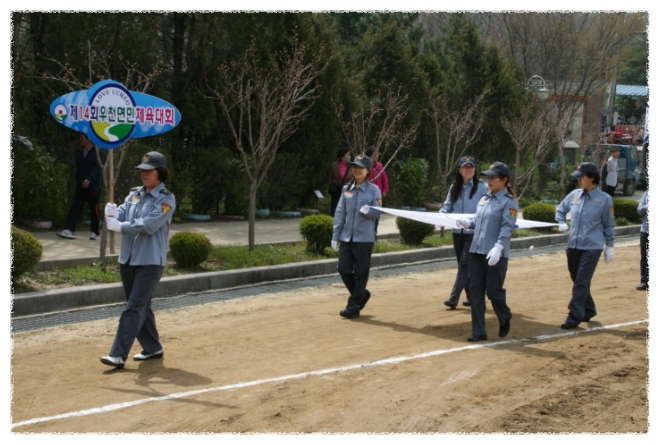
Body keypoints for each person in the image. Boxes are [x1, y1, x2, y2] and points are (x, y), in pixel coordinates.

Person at [100, 151, 176, 368]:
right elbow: (123, 215)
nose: (144, 174)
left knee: (133, 307)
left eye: (149, 171)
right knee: (141, 306)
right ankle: (152, 347)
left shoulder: (166, 199)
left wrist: (120, 226)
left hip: (150, 262)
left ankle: (118, 354)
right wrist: (113, 214)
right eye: (142, 170)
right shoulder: (134, 194)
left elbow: (149, 224)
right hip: (128, 260)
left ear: (160, 173)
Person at [456, 162, 517, 342]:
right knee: (476, 293)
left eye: (493, 177)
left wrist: (498, 247)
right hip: (476, 251)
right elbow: (478, 221)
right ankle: (479, 331)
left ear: (504, 180)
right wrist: (468, 224)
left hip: (494, 254)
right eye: (487, 177)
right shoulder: (484, 199)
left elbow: (507, 227)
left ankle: (504, 314)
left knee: (493, 291)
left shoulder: (509, 202)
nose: (488, 181)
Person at [555, 162, 615, 329]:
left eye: (582, 177)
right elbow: (560, 209)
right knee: (578, 280)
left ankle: (574, 315)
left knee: (581, 281)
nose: (579, 180)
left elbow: (609, 224)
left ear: (592, 178)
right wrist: (561, 222)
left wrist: (610, 246)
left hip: (592, 247)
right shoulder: (574, 195)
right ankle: (589, 309)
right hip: (573, 246)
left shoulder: (604, 199)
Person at [331, 154, 381, 319]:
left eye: (361, 168)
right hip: (347, 237)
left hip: (364, 239)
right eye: (355, 167)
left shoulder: (374, 190)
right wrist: (335, 235)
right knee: (343, 269)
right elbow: (340, 213)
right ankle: (361, 295)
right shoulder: (347, 189)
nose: (357, 170)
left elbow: (377, 213)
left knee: (360, 273)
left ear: (368, 171)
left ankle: (353, 307)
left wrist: (369, 211)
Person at [439, 156, 488, 309]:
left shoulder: (482, 187)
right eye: (465, 167)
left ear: (475, 169)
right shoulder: (454, 187)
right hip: (457, 232)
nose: (468, 169)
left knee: (464, 265)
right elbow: (447, 206)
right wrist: (439, 217)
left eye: (471, 167)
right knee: (464, 265)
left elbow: (486, 208)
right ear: (459, 170)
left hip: (473, 232)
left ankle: (454, 297)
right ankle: (471, 296)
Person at [57, 132, 103, 240]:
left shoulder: (97, 151)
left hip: (93, 186)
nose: (80, 139)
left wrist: (89, 179)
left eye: (81, 137)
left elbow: (97, 168)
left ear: (88, 138)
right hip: (81, 186)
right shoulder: (80, 152)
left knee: (94, 209)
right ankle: (69, 229)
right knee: (75, 207)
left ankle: (95, 231)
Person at [365, 146, 389, 237]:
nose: (378, 155)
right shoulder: (366, 166)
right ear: (371, 155)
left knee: (377, 213)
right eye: (376, 153)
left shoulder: (379, 165)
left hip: (378, 197)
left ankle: (374, 234)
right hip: (367, 195)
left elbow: (385, 178)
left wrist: (385, 190)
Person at [329, 148, 355, 217]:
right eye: (347, 155)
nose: (349, 156)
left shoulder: (352, 166)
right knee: (334, 209)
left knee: (347, 209)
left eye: (349, 155)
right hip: (337, 189)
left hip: (348, 190)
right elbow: (331, 176)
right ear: (342, 156)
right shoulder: (335, 165)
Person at [636, 189, 648, 291]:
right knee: (644, 256)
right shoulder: (647, 193)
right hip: (646, 230)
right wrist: (647, 207)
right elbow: (639, 210)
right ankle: (645, 281)